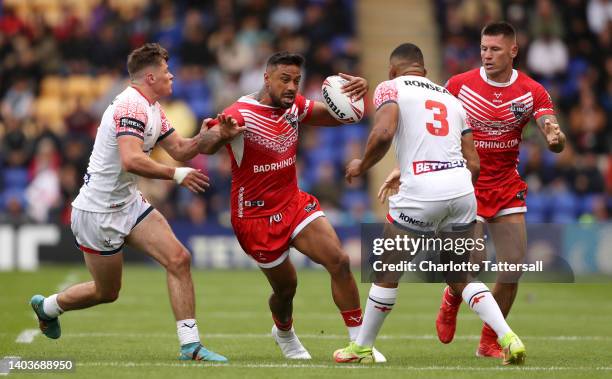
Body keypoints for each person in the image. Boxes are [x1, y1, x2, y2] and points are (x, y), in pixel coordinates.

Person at [29, 43, 245, 362]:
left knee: (179, 259)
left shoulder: (153, 108)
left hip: (128, 203)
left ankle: (191, 346)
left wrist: (214, 136)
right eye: (166, 70)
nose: (171, 75)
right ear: (150, 76)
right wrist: (177, 175)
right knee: (107, 292)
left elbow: (184, 149)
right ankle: (48, 307)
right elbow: (131, 160)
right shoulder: (130, 106)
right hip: (97, 212)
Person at [334, 43, 526, 365]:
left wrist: (361, 166)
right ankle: (507, 335)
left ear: (393, 70)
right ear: (424, 71)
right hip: (463, 189)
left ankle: (361, 347)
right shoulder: (451, 99)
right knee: (460, 274)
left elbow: (383, 132)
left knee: (386, 269)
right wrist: (457, 195)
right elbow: (474, 163)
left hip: (421, 190)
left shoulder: (389, 88)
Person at [209, 51, 384, 361]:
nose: (292, 87)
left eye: (297, 80)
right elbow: (208, 140)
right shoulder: (240, 113)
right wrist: (217, 134)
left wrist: (358, 99)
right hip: (255, 217)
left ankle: (359, 344)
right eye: (285, 80)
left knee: (339, 260)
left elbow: (337, 116)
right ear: (266, 78)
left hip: (292, 202)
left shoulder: (295, 106)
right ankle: (284, 332)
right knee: (286, 289)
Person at [430, 21, 565, 358]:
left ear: (513, 51)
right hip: (467, 183)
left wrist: (554, 137)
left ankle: (489, 340)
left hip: (505, 184)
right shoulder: (459, 85)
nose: (487, 55)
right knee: (470, 264)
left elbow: (549, 125)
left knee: (513, 266)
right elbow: (434, 129)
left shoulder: (532, 91)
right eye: (483, 49)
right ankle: (451, 298)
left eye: (495, 49)